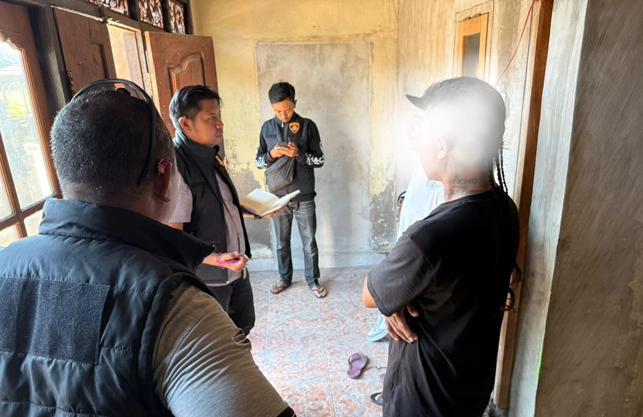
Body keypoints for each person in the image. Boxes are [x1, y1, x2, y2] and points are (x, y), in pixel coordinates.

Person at [0, 81, 295, 417]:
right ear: (165, 177)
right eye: (211, 117)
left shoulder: (5, 263)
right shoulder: (174, 305)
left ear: (63, 169)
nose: (219, 124)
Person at [362, 77, 520, 417]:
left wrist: (395, 299)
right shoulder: (504, 208)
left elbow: (370, 294)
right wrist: (400, 296)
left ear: (441, 145)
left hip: (422, 401)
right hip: (468, 390)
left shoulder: (430, 238)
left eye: (423, 133)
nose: (417, 143)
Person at [169, 85, 273, 336]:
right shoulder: (177, 167)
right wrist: (217, 259)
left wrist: (251, 210)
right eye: (211, 117)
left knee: (242, 329)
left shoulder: (209, 156)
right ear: (186, 123)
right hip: (209, 279)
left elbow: (216, 205)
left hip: (235, 269)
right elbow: (172, 238)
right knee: (217, 341)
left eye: (219, 115)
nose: (220, 124)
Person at [367, 120, 445, 342]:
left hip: (417, 269)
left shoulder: (442, 181)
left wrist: (399, 294)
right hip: (407, 256)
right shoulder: (423, 166)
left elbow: (434, 244)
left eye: (420, 122)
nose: (411, 127)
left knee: (383, 300)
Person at [255, 82, 327, 298]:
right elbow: (258, 161)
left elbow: (320, 160)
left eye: (287, 110)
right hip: (277, 198)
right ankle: (284, 278)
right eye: (278, 111)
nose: (283, 115)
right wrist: (272, 155)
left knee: (309, 243)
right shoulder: (266, 128)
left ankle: (313, 281)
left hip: (304, 195)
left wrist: (299, 154)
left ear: (295, 103)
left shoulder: (308, 126)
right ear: (271, 107)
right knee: (281, 243)